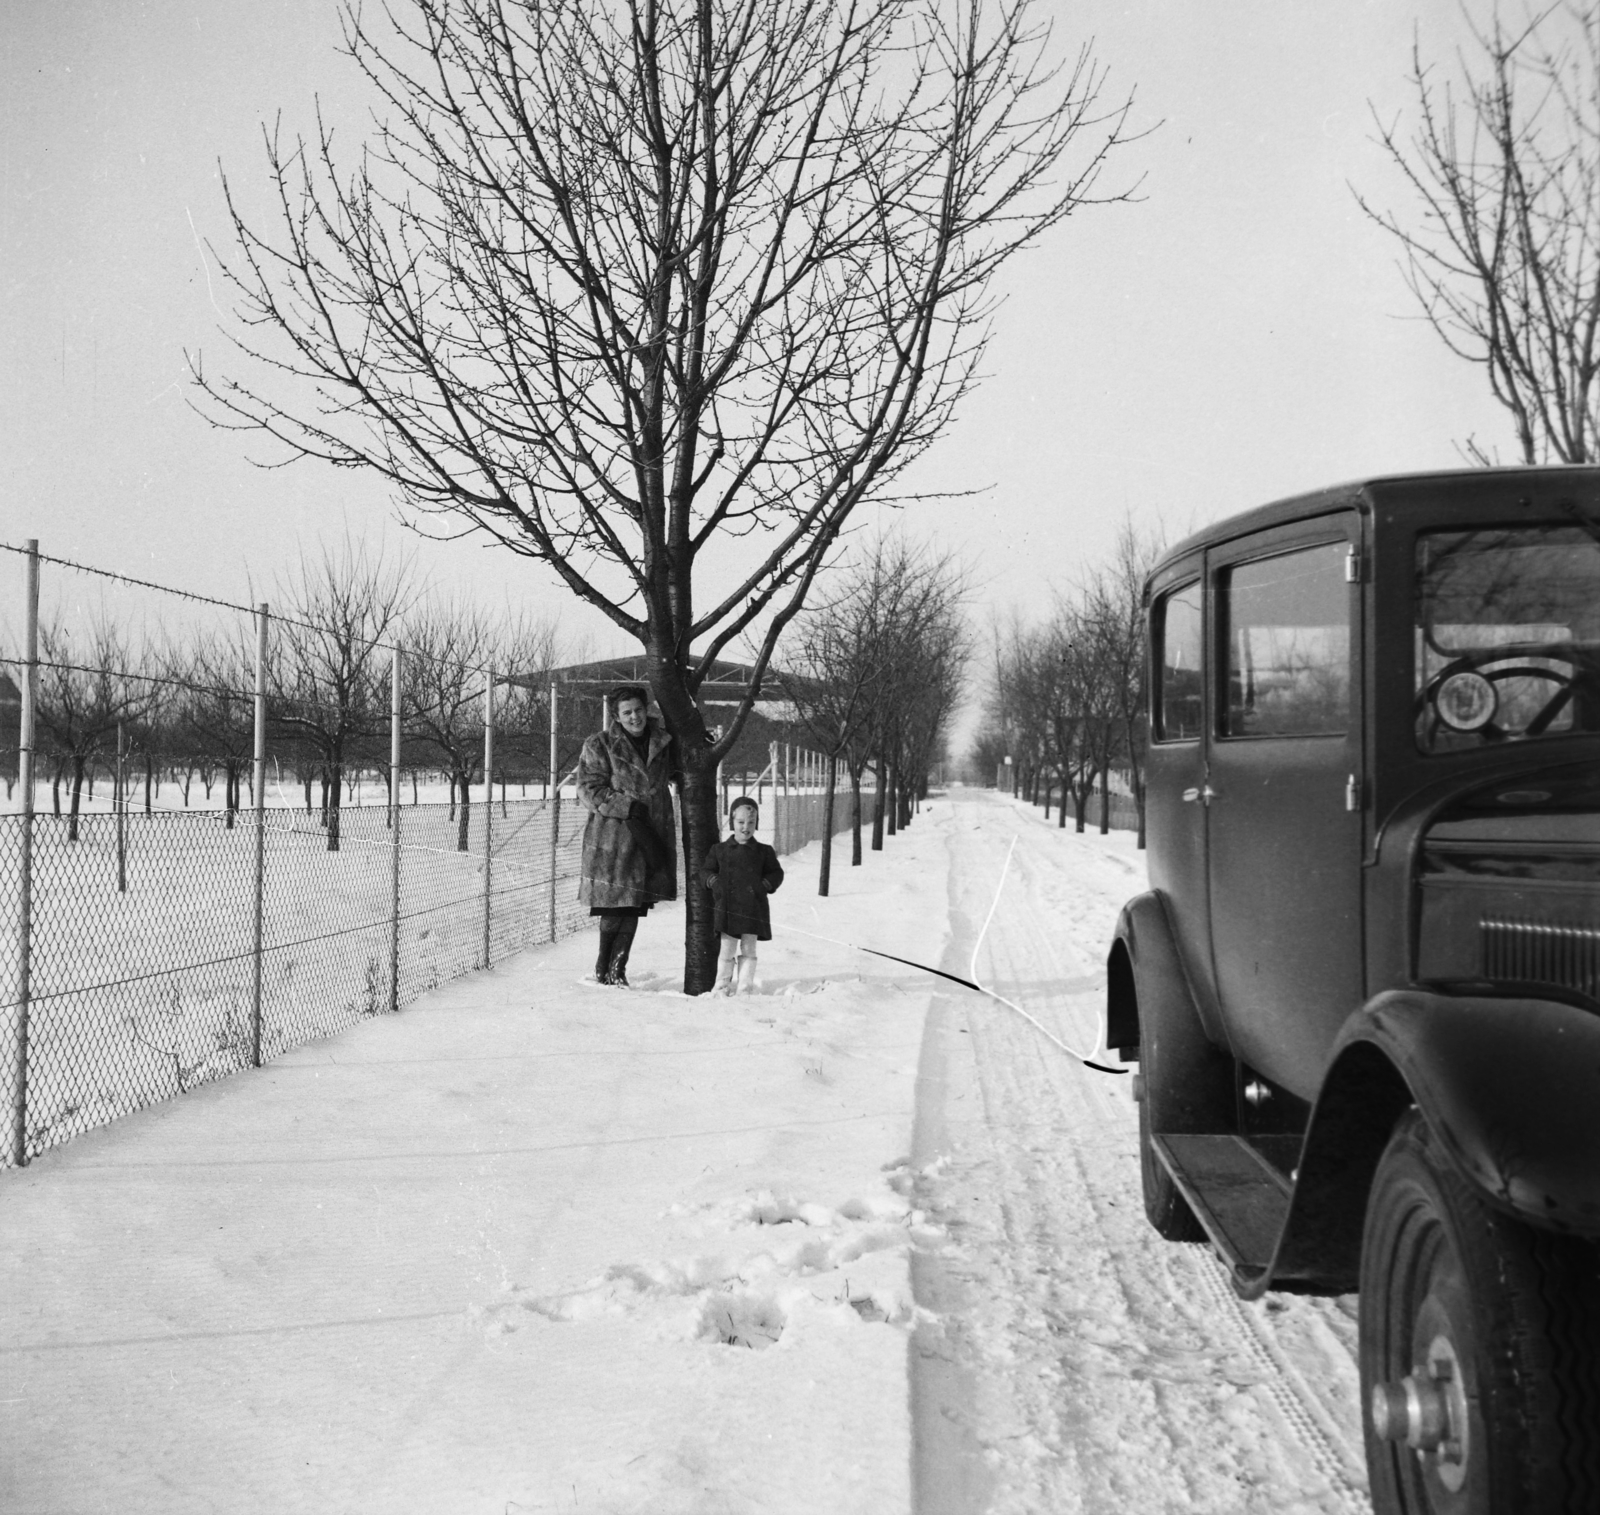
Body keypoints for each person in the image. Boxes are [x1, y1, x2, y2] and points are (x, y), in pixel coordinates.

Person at [577, 685, 680, 986]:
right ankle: (602, 968)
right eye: (627, 712)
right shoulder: (601, 744)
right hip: (613, 838)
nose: (634, 717)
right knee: (614, 903)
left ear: (646, 709)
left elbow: (677, 770)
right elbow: (587, 789)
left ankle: (617, 970)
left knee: (634, 904)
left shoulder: (661, 741)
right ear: (616, 716)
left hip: (650, 833)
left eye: (638, 710)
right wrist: (627, 806)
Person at [701, 797, 784, 994]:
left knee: (749, 949)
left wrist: (763, 885)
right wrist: (715, 883)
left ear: (757, 824)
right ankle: (721, 985)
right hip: (728, 908)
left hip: (753, 908)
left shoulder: (764, 851)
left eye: (751, 822)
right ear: (732, 822)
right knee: (727, 949)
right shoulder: (719, 850)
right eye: (740, 822)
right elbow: (705, 871)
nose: (745, 827)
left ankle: (745, 988)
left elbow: (776, 873)